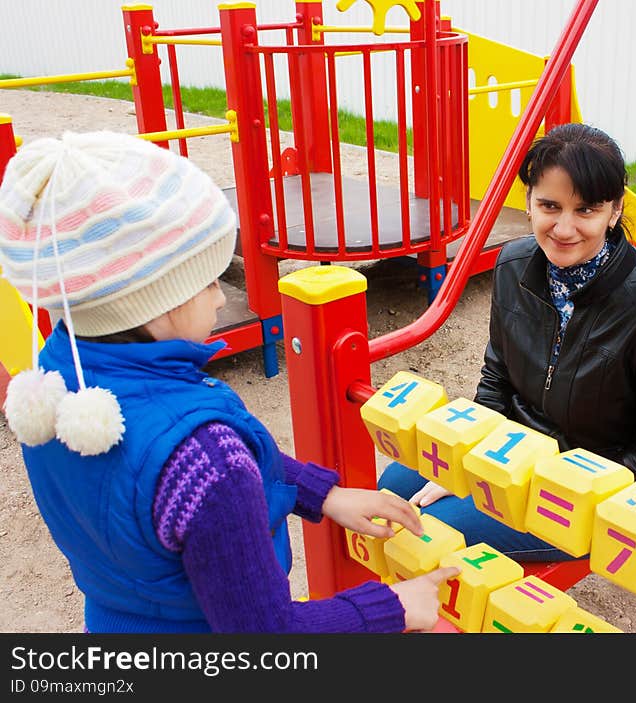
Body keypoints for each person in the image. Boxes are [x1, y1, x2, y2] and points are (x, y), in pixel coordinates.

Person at [0, 130, 457, 633]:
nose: (221, 300)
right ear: (158, 298)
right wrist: (393, 605)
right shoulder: (207, 457)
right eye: (209, 281)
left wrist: (322, 495)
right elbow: (265, 634)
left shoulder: (54, 386)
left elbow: (217, 471)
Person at [379, 122, 636, 561]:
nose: (564, 228)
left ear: (614, 210)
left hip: (585, 487)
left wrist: (535, 486)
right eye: (550, 205)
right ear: (529, 201)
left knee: (436, 533)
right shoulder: (514, 266)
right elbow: (496, 379)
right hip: (512, 450)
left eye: (586, 210)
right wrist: (469, 460)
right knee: (393, 486)